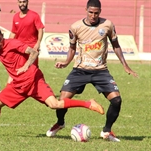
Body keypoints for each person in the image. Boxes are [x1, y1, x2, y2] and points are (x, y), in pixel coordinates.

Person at [0, 25, 104, 136]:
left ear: (2, 35)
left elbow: (34, 52)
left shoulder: (13, 43)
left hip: (34, 80)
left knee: (54, 105)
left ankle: (88, 104)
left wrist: (26, 66)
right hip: (18, 86)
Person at [46, 0, 138, 142]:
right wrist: (65, 63)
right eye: (91, 12)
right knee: (62, 100)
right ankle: (60, 123)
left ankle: (107, 131)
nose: (93, 16)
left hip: (101, 71)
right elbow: (72, 48)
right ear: (86, 10)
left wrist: (125, 65)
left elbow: (116, 46)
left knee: (117, 100)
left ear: (100, 11)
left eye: (96, 13)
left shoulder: (107, 25)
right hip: (80, 70)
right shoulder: (75, 27)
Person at [7, 0, 44, 83]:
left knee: (33, 70)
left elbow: (40, 30)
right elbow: (13, 32)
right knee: (15, 69)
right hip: (20, 48)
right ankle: (8, 88)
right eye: (20, 2)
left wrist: (38, 43)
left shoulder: (34, 15)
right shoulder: (15, 16)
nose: (22, 4)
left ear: (27, 2)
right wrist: (8, 44)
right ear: (17, 3)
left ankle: (42, 88)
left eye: (24, 1)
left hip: (32, 48)